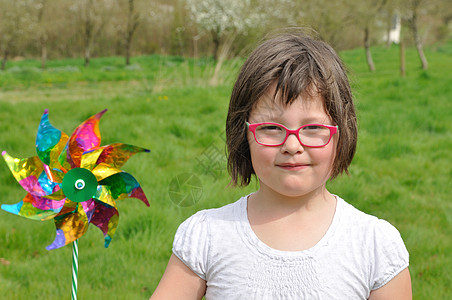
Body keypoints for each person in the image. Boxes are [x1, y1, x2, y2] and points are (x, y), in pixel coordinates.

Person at [150, 30, 411, 299]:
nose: (292, 145)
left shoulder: (376, 246)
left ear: (341, 133)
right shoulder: (206, 236)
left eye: (312, 127)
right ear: (244, 134)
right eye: (272, 128)